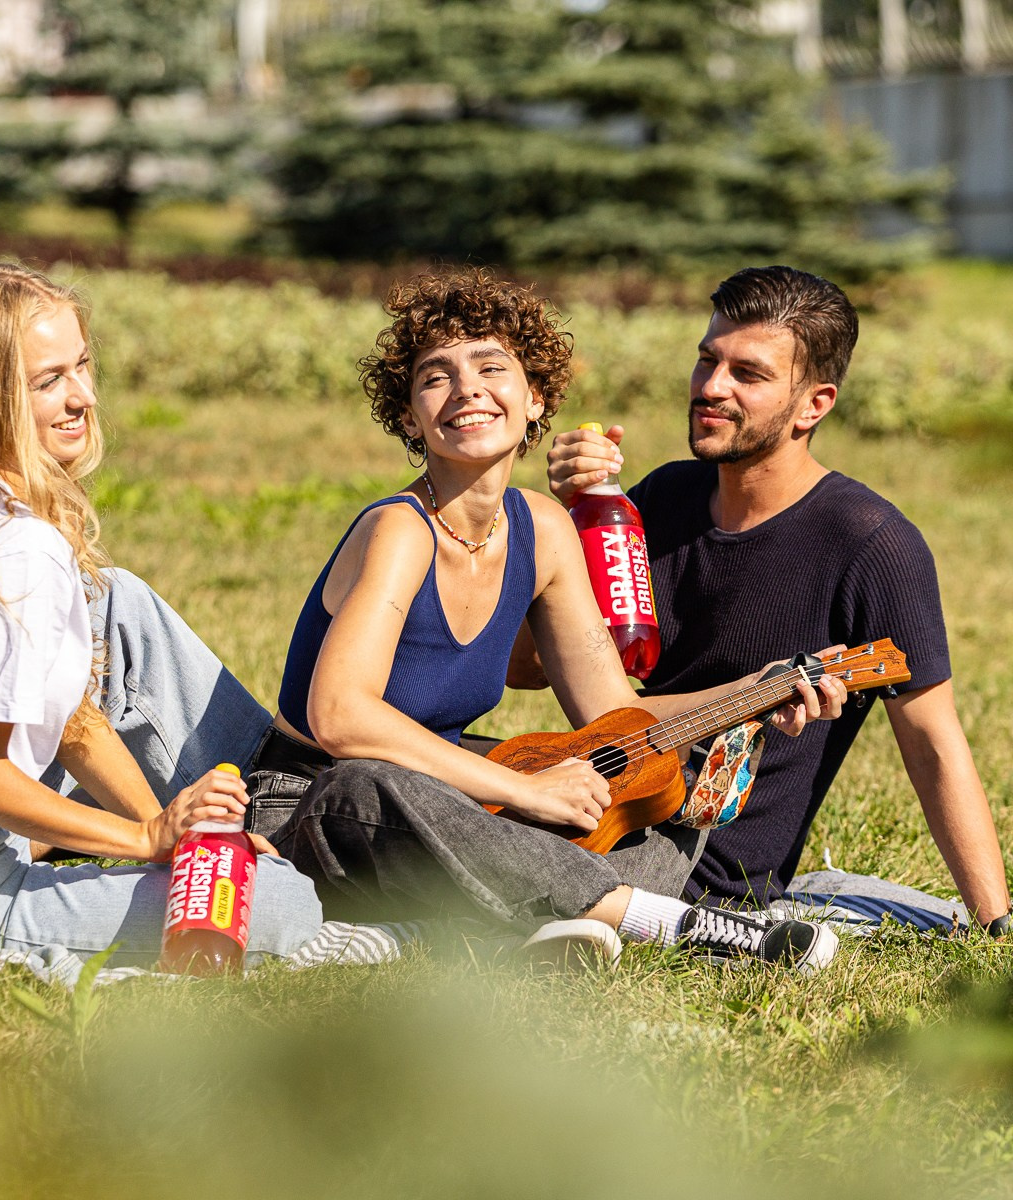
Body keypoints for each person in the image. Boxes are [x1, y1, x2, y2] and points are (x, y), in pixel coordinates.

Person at [246, 268, 846, 970]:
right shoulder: (398, 530)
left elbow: (614, 715)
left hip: (451, 803)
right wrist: (525, 790)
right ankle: (674, 924)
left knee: (662, 802)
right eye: (435, 377)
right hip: (316, 807)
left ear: (534, 400)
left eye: (491, 368)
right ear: (410, 417)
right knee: (366, 786)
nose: (467, 388)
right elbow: (342, 719)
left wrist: (755, 693)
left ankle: (520, 918)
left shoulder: (544, 528)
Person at [0, 260, 322, 968]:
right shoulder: (15, 552)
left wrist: (160, 823)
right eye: (48, 381)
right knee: (284, 905)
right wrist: (150, 841)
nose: (83, 397)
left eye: (82, 366)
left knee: (110, 598)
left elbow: (71, 712)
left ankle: (264, 796)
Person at [541, 264, 1011, 931]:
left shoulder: (873, 545)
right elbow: (532, 670)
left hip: (707, 872)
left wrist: (994, 922)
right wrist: (568, 526)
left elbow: (933, 742)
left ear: (815, 404)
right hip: (600, 807)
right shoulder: (658, 502)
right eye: (708, 361)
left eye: (748, 374)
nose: (711, 387)